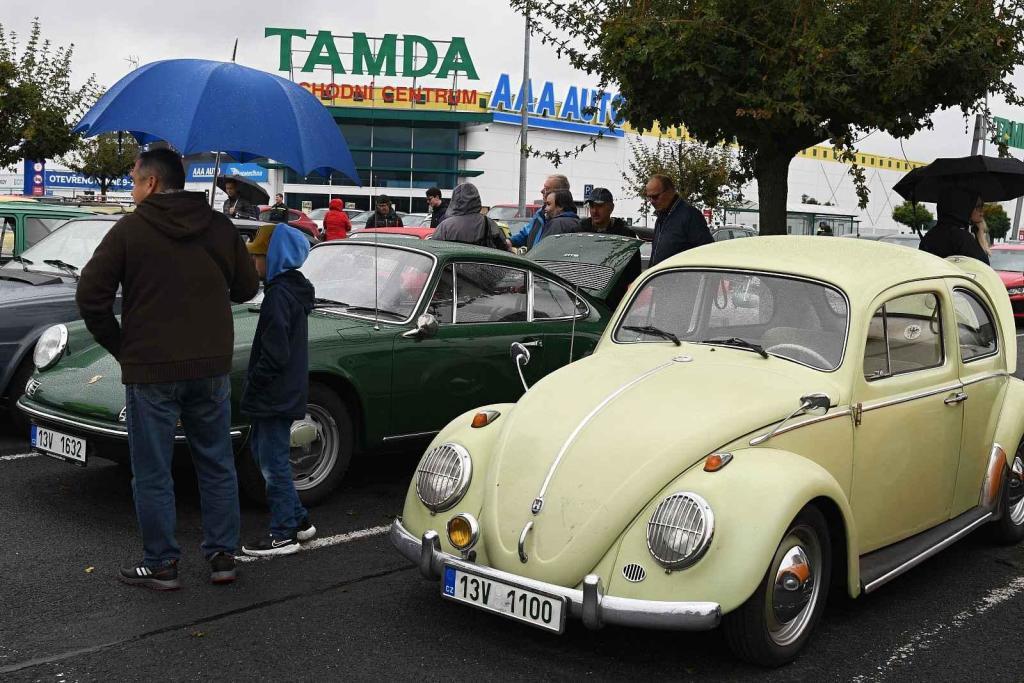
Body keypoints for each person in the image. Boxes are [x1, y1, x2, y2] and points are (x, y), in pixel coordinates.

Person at [76, 148, 260, 590]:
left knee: (154, 470)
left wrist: (123, 348)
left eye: (136, 181)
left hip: (151, 371)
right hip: (209, 367)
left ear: (153, 183)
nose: (134, 189)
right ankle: (222, 557)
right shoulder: (218, 226)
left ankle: (161, 563)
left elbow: (90, 296)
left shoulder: (130, 229)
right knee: (216, 463)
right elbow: (247, 288)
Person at [240, 224, 317, 556]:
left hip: (274, 395)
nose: (254, 264)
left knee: (272, 463)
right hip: (284, 392)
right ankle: (298, 521)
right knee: (265, 455)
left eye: (258, 257)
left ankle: (283, 533)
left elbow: (275, 354)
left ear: (273, 259)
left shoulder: (277, 296)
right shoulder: (290, 291)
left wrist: (254, 381)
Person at [646, 174, 713, 267]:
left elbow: (707, 252)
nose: (651, 201)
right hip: (660, 278)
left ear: (670, 192)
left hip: (681, 279)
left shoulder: (690, 215)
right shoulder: (661, 217)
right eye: (649, 197)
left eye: (655, 196)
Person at [919, 189, 990, 264]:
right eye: (978, 206)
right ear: (965, 207)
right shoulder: (962, 238)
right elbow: (984, 266)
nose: (982, 210)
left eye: (982, 206)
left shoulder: (929, 236)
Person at [432, 182, 509, 250]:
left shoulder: (445, 226)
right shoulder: (489, 223)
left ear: (455, 200)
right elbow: (503, 248)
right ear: (477, 199)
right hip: (482, 265)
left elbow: (434, 249)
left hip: (455, 265)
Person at [509, 174, 570, 250]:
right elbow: (526, 234)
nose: (542, 191)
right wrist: (510, 241)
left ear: (560, 193)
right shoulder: (540, 214)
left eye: (547, 189)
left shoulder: (566, 223)